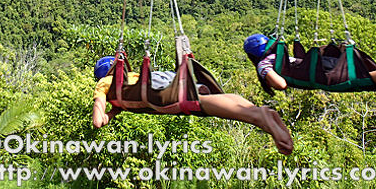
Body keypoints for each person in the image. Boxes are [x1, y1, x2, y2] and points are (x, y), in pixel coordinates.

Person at [92, 56, 294, 155]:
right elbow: (115, 111)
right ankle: (260, 112)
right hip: (162, 81)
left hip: (159, 95)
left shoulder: (105, 85)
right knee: (208, 99)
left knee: (198, 104)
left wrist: (102, 106)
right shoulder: (125, 87)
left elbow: (98, 121)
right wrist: (115, 109)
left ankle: (259, 118)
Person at [244, 33, 376, 93]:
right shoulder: (278, 56)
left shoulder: (264, 65)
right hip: (321, 66)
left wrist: (269, 78)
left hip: (322, 74)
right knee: (370, 79)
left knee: (363, 77)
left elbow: (281, 84)